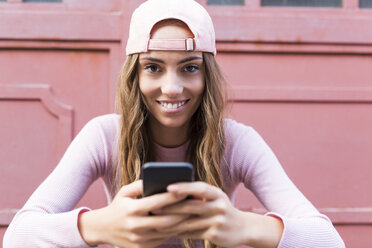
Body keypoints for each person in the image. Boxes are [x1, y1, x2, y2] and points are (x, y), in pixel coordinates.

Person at [3, 0, 345, 247]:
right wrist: (100, 226)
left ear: (207, 75)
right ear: (133, 76)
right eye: (153, 67)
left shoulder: (239, 142)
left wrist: (244, 227)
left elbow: (329, 241)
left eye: (189, 67)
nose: (172, 87)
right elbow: (19, 236)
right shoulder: (104, 135)